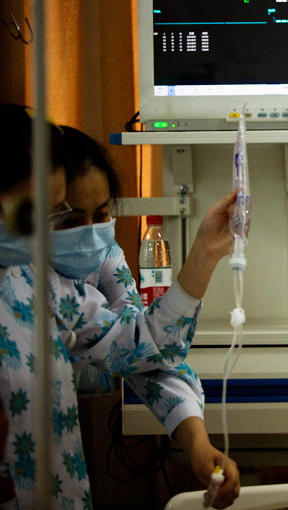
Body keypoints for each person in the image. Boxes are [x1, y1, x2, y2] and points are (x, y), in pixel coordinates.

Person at [0, 105, 236, 510]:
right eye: (62, 216)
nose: (87, 230)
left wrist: (204, 256)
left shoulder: (40, 284)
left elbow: (142, 345)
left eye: (102, 214)